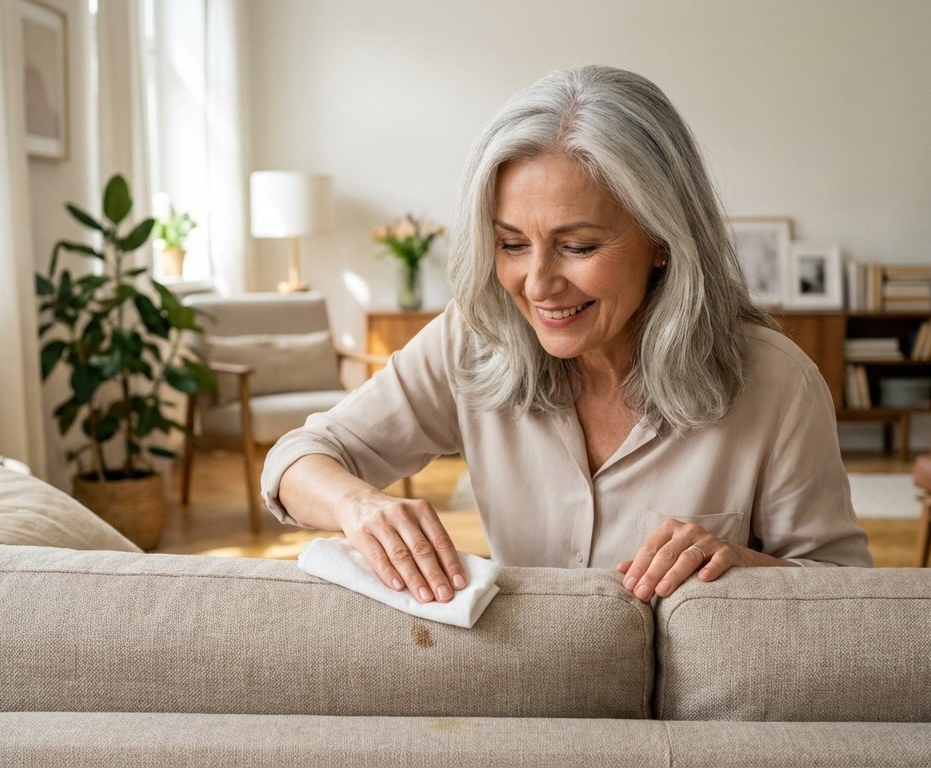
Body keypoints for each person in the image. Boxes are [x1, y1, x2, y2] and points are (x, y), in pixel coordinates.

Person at [261, 65, 871, 607]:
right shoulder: (472, 339)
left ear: (663, 240)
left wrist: (742, 567)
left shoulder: (777, 381)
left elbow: (846, 590)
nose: (538, 284)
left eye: (578, 247)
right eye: (511, 244)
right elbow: (297, 459)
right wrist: (359, 506)